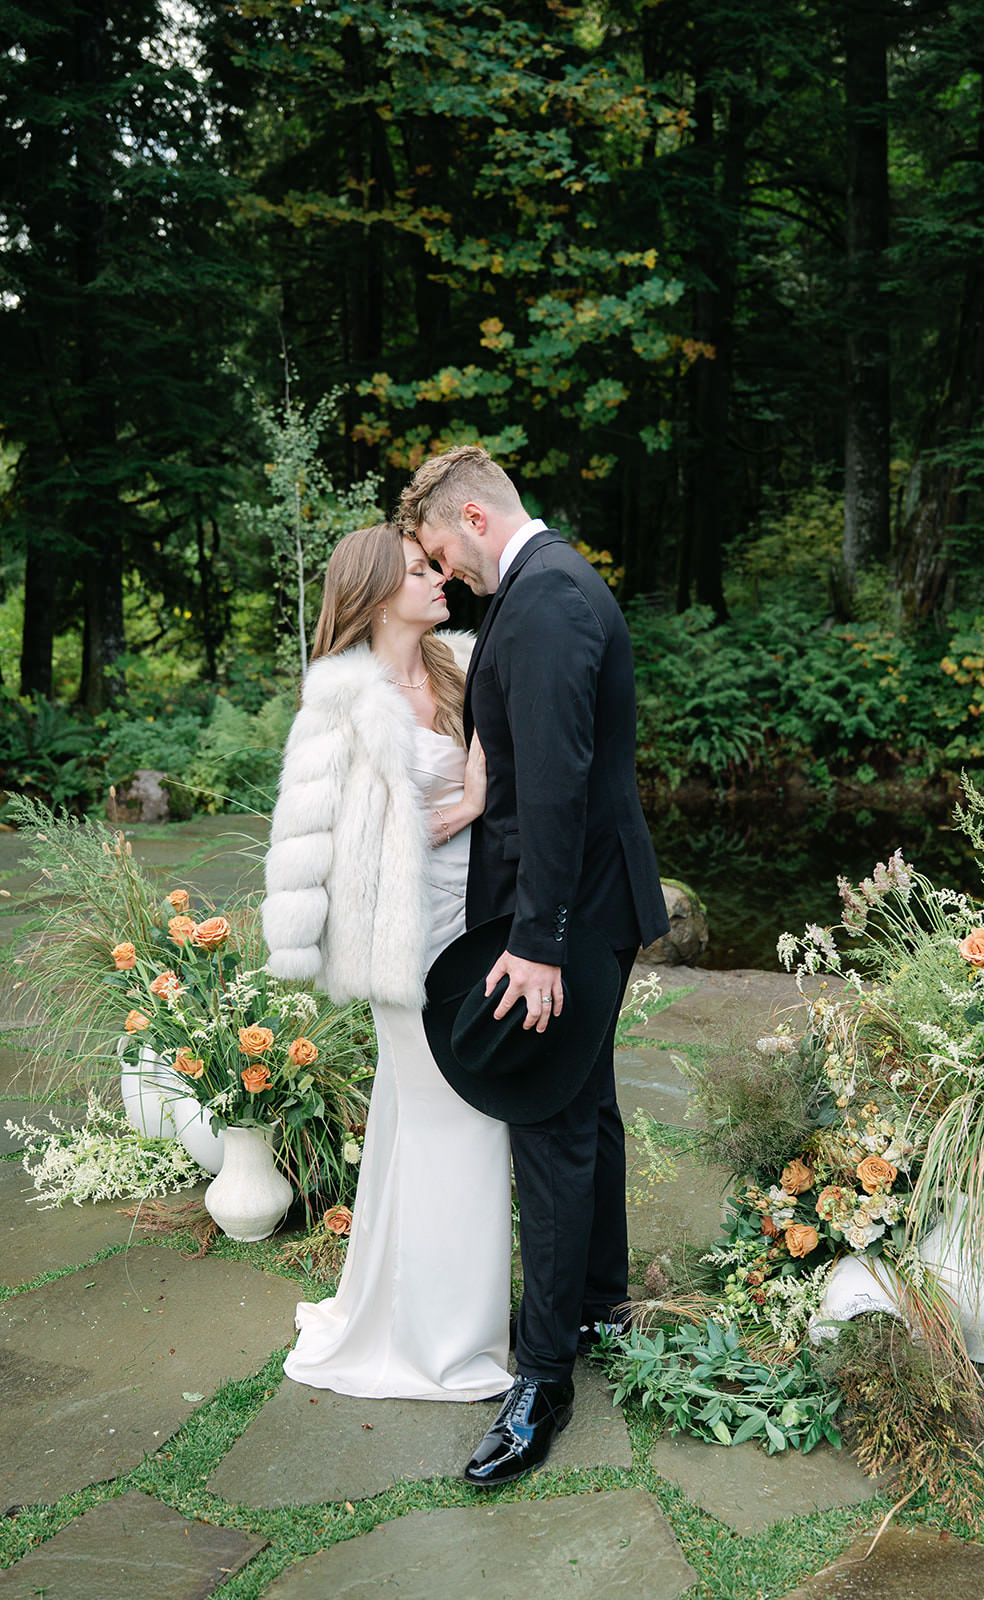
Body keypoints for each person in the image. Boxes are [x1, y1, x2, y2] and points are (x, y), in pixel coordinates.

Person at [398, 446, 668, 1484]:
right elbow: (520, 757)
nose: (445, 576)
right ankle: (599, 1309)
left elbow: (556, 783)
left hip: (566, 914)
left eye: (438, 555)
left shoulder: (548, 598)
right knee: (584, 1106)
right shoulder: (542, 584)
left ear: (471, 516)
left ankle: (541, 1377)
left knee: (548, 1125)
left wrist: (535, 941)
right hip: (587, 903)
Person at [261, 522, 512, 1402]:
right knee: (467, 1121)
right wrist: (299, 947)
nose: (440, 578)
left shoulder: (462, 667)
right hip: (402, 943)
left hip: (477, 923)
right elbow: (308, 829)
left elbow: (510, 764)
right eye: (419, 570)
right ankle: (449, 1348)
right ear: (373, 593)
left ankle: (398, 1310)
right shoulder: (341, 697)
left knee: (416, 1125)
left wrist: (479, 787)